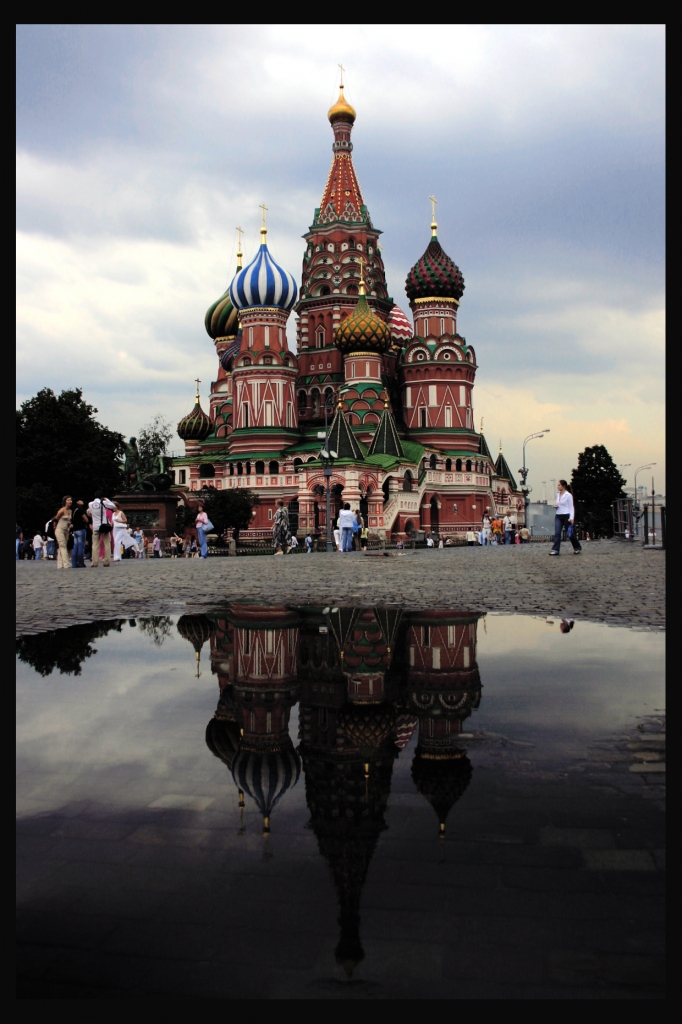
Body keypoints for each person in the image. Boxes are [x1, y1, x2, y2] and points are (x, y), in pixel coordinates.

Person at [550, 480, 582, 556]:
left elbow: (571, 507)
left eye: (559, 485)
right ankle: (555, 549)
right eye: (558, 485)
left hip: (566, 515)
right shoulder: (557, 494)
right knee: (557, 533)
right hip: (558, 515)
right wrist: (556, 506)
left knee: (570, 533)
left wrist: (571, 517)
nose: (558, 487)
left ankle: (577, 547)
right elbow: (558, 503)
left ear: (564, 486)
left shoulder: (568, 495)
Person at [88, 492, 116, 567]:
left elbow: (89, 513)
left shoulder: (90, 504)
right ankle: (106, 561)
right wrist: (106, 499)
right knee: (107, 544)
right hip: (104, 526)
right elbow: (113, 506)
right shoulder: (103, 503)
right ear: (102, 497)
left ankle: (95, 562)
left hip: (95, 526)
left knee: (95, 545)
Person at [53, 496, 73, 569]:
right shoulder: (62, 510)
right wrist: (55, 528)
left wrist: (70, 525)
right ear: (65, 502)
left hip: (66, 531)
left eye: (71, 500)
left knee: (62, 546)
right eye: (68, 500)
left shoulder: (70, 511)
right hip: (60, 530)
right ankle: (66, 563)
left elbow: (68, 521)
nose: (70, 501)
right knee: (63, 546)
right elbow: (56, 519)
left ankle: (60, 564)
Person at [71, 500, 89, 567]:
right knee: (81, 546)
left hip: (75, 530)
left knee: (75, 547)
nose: (82, 501)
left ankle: (74, 563)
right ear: (78, 502)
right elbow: (86, 520)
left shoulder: (73, 510)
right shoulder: (81, 510)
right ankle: (81, 562)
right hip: (81, 529)